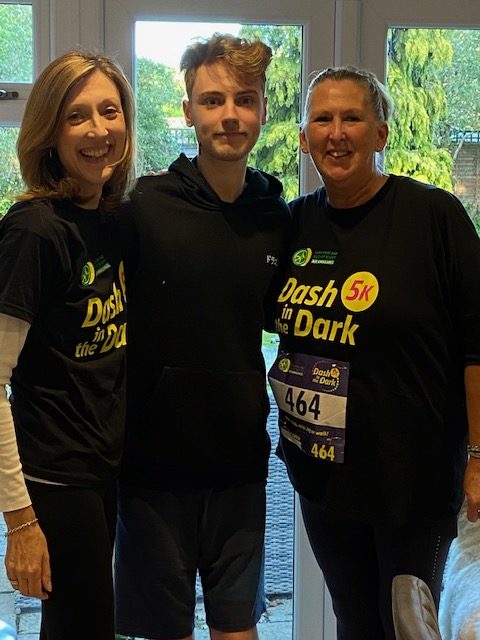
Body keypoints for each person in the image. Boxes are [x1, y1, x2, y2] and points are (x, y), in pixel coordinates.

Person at [268, 65, 480, 639]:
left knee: (410, 628)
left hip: (413, 481)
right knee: (354, 621)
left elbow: (477, 346)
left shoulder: (433, 217)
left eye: (352, 118)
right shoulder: (295, 224)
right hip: (324, 479)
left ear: (380, 133)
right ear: (304, 137)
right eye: (322, 119)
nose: (337, 132)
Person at [114, 33, 290, 640]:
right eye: (213, 100)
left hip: (240, 466)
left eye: (245, 99)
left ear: (264, 108)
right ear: (188, 110)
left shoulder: (275, 215)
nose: (231, 115)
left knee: (238, 630)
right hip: (152, 472)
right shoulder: (142, 207)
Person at [0, 50, 135, 640]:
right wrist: (21, 520)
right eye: (78, 116)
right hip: (55, 484)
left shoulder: (105, 217)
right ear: (49, 133)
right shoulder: (33, 232)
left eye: (110, 111)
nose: (99, 130)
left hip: (102, 474)